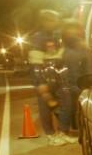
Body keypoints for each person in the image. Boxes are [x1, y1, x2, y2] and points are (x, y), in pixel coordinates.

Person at [28, 9, 65, 145]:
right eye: (54, 20)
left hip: (56, 76)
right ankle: (50, 135)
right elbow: (35, 62)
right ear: (45, 21)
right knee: (46, 106)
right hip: (44, 77)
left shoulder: (55, 36)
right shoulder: (38, 38)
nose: (57, 23)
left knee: (57, 105)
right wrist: (40, 82)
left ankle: (61, 132)